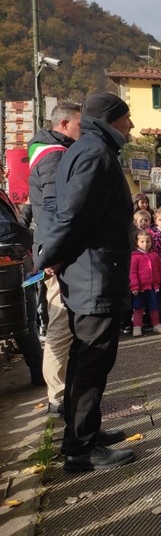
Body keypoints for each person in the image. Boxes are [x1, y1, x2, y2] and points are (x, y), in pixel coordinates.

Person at [35, 92, 136, 472]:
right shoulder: (95, 153)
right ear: (112, 118)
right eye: (127, 118)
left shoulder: (86, 148)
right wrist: (48, 257)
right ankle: (80, 449)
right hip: (95, 274)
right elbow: (74, 216)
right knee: (93, 363)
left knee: (84, 361)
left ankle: (84, 434)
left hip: (89, 272)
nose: (131, 126)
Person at [27, 102, 81, 412]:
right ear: (63, 124)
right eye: (78, 124)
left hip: (53, 250)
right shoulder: (54, 156)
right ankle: (58, 397)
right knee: (60, 325)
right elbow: (53, 208)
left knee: (62, 324)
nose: (82, 130)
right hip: (57, 255)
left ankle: (61, 393)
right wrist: (54, 253)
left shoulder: (48, 150)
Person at [0, 162, 44, 386]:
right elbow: (7, 230)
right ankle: (39, 372)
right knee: (24, 319)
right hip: (9, 267)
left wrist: (26, 212)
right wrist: (32, 238)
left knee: (26, 320)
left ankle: (38, 371)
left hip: (16, 263)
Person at [129, 231, 161, 337]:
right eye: (142, 242)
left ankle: (156, 324)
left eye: (147, 241)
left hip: (153, 287)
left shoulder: (154, 255)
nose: (145, 244)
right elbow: (132, 273)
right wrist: (134, 286)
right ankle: (137, 326)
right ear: (137, 242)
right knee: (138, 308)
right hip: (140, 288)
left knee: (154, 307)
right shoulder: (134, 256)